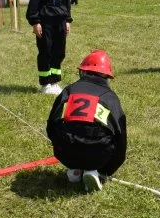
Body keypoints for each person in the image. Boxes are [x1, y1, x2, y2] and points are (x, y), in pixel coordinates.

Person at [46, 50, 127, 192]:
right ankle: (94, 171)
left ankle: (75, 169)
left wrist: (60, 146)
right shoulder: (110, 97)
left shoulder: (69, 90)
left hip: (66, 153)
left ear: (83, 71)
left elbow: (51, 125)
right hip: (99, 156)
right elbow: (121, 140)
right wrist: (107, 170)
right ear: (106, 76)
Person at [26, 0, 72, 95]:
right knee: (46, 51)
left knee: (59, 52)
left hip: (60, 20)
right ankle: (45, 84)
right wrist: (35, 21)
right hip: (45, 20)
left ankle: (55, 81)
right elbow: (34, 0)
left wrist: (67, 20)